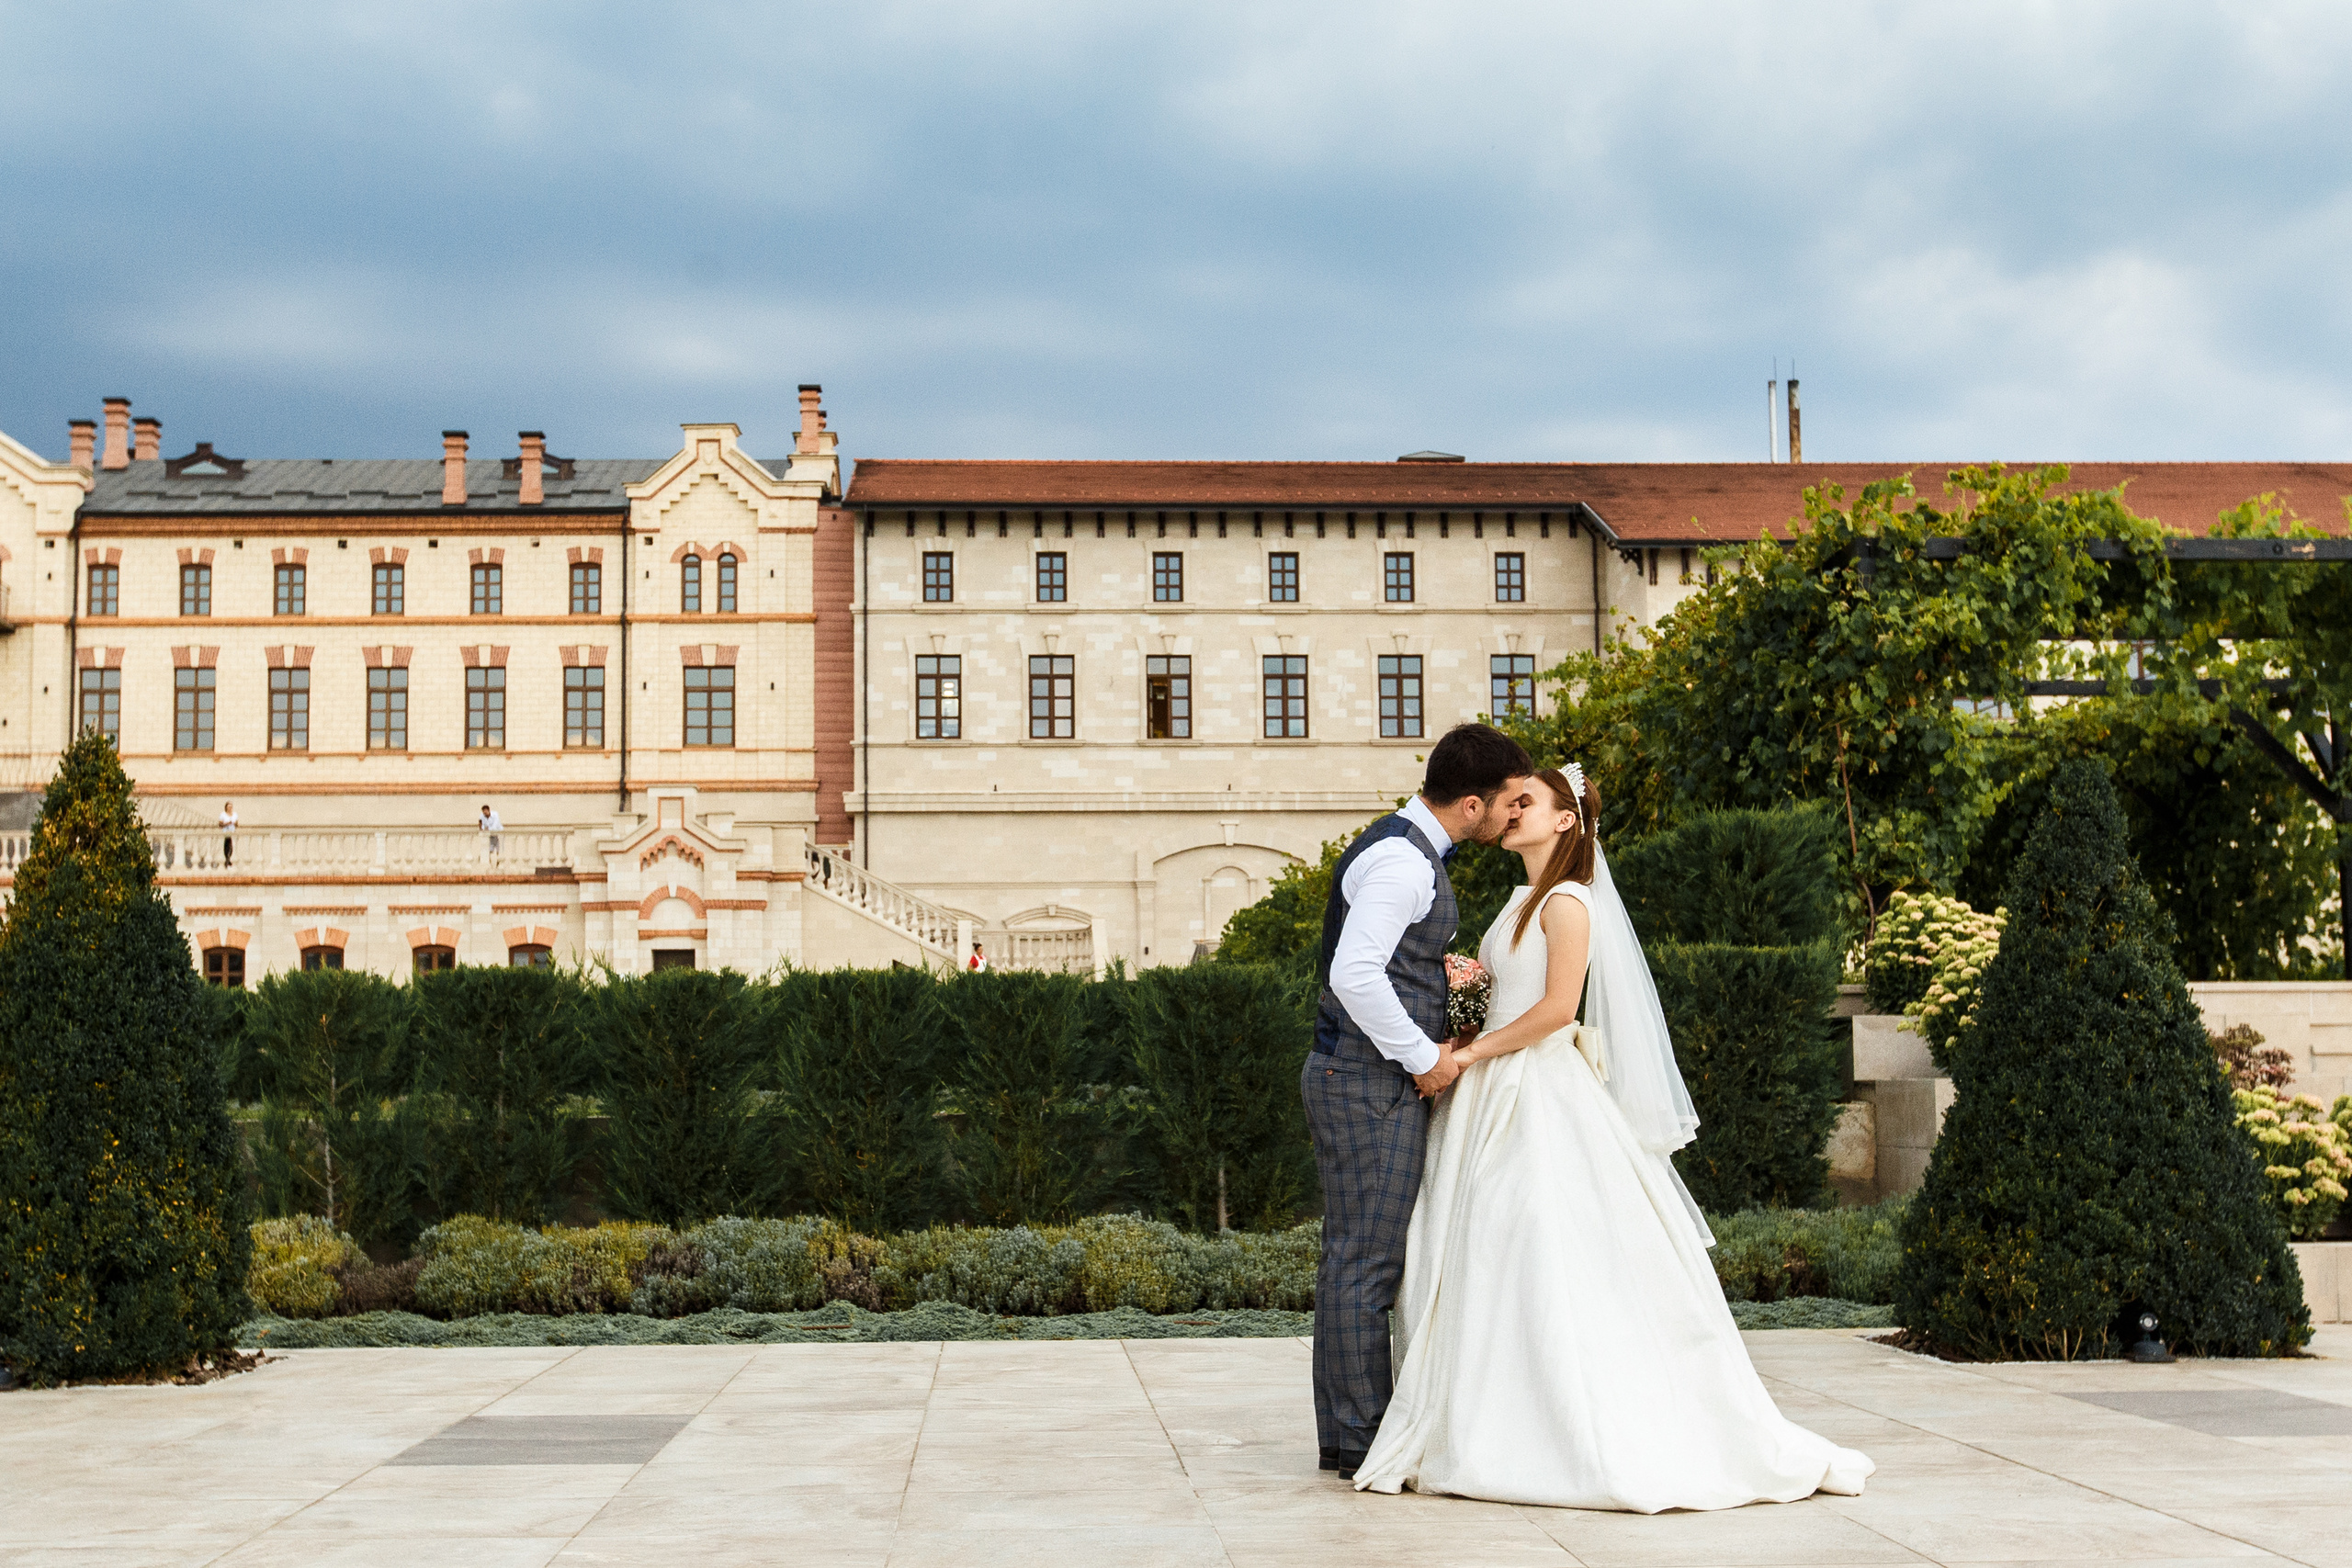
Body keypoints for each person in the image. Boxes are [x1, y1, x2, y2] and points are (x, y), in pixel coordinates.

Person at [1352, 765, 1873, 1510]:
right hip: (1495, 1084)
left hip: (1537, 1090)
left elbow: (1559, 1010)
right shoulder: (1519, 900)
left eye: (1526, 802)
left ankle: (1555, 1425)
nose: (1510, 811)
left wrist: (1470, 1052)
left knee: (1537, 1238)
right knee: (1489, 1248)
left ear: (1565, 820)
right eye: (1511, 802)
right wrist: (1466, 1009)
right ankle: (1486, 1409)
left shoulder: (1568, 900)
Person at [1302, 722, 1533, 1482]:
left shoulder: (1403, 849)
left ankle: (1347, 1438)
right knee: (1366, 1265)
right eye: (1507, 803)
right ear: (1472, 803)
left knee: (1352, 1261)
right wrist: (1425, 1055)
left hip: (1356, 1077)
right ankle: (1366, 1441)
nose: (1509, 817)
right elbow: (1355, 974)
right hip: (1367, 1080)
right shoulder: (1404, 862)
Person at [218, 800, 237, 867]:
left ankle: (229, 860)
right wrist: (227, 823)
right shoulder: (223, 814)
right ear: (226, 807)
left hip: (232, 833)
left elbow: (237, 824)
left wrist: (235, 823)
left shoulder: (235, 814)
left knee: (231, 847)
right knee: (227, 846)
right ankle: (227, 860)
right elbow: (220, 825)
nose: (230, 808)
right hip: (226, 832)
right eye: (229, 807)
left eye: (231, 807)